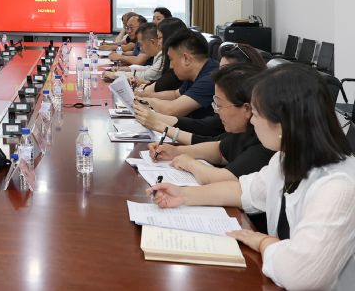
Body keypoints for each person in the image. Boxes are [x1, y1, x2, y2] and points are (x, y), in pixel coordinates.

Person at [149, 64, 355, 290]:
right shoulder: (287, 158)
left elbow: (299, 274)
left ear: (283, 123)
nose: (252, 121)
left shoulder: (338, 186)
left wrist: (262, 241)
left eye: (256, 114)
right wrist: (183, 195)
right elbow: (243, 190)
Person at [145, 64, 274, 184]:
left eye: (219, 105)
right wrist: (176, 151)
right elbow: (219, 151)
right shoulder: (243, 130)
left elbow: (225, 179)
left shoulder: (265, 142)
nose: (216, 111)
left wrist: (190, 163)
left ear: (246, 109)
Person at [136, 39, 268, 138]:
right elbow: (216, 142)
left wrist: (155, 118)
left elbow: (210, 134)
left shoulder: (257, 129)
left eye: (225, 71)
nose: (219, 76)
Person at [136, 29, 218, 119]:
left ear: (186, 59)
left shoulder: (211, 79)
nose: (171, 66)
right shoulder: (197, 72)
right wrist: (144, 95)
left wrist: (142, 100)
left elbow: (170, 110)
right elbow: (175, 95)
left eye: (171, 59)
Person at [136, 17, 188, 95]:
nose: (158, 42)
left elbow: (167, 85)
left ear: (170, 38)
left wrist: (145, 89)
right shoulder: (167, 56)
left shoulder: (179, 63)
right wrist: (148, 84)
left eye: (159, 38)